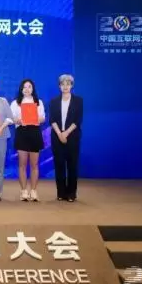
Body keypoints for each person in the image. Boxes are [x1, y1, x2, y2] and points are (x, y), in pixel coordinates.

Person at [49, 74, 83, 202]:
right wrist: (60, 134)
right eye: (62, 84)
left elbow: (78, 120)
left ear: (72, 86)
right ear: (59, 86)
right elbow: (52, 120)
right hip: (57, 136)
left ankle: (71, 193)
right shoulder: (54, 101)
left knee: (72, 166)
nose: (65, 86)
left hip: (72, 137)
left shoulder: (78, 101)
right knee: (59, 165)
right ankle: (61, 192)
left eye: (68, 84)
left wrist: (66, 133)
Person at [10, 79, 46, 202]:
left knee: (34, 165)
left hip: (34, 133)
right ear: (21, 89)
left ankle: (34, 191)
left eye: (29, 87)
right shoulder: (15, 103)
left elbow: (43, 118)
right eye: (24, 87)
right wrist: (18, 120)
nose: (27, 89)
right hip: (22, 133)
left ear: (33, 89)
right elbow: (11, 118)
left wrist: (34, 118)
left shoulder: (38, 102)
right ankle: (24, 190)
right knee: (22, 164)